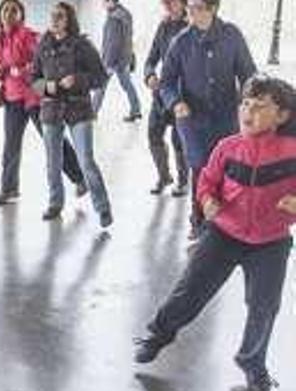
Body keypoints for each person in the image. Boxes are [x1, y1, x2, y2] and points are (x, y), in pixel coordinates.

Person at [134, 76, 296, 391]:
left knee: (264, 306)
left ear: (282, 116)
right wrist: (207, 200)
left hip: (270, 242)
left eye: (260, 106)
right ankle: (158, 334)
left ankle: (253, 364)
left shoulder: (292, 152)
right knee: (190, 291)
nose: (249, 111)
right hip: (223, 234)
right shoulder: (228, 147)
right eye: (245, 104)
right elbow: (207, 181)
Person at [159, 0, 256, 238]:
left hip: (226, 118)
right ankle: (199, 221)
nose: (190, 11)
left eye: (197, 7)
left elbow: (248, 75)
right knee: (201, 167)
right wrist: (175, 102)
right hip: (192, 121)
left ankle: (223, 220)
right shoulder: (180, 41)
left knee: (226, 169)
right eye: (189, 6)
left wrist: (253, 106)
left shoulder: (231, 35)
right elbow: (167, 82)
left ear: (213, 8)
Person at [0, 0, 87, 206]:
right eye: (5, 10)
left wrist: (23, 69)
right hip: (12, 99)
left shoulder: (30, 36)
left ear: (20, 15)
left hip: (35, 96)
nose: (9, 13)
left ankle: (80, 179)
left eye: (14, 10)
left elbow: (43, 61)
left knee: (52, 141)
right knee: (10, 146)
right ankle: (9, 189)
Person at [32, 2, 113, 227]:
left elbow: (101, 77)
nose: (54, 20)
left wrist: (77, 79)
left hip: (79, 109)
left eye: (60, 16)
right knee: (53, 162)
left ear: (69, 19)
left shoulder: (82, 45)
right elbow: (33, 80)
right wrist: (47, 87)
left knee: (86, 161)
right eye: (52, 16)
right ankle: (55, 203)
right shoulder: (42, 45)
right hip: (51, 110)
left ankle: (103, 207)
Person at [143, 0, 189, 196]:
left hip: (183, 95)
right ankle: (164, 176)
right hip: (161, 94)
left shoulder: (191, 27)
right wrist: (150, 74)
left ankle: (182, 181)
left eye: (172, 2)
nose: (168, 5)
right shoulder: (163, 26)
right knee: (153, 134)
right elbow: (151, 59)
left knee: (179, 139)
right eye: (165, 2)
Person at [93, 0, 142, 122]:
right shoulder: (125, 14)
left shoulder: (114, 18)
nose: (102, 4)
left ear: (111, 2)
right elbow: (128, 37)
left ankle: (92, 113)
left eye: (105, 1)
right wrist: (130, 55)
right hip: (124, 58)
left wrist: (107, 64)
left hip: (113, 60)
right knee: (127, 85)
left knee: (100, 86)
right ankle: (136, 110)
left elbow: (112, 43)